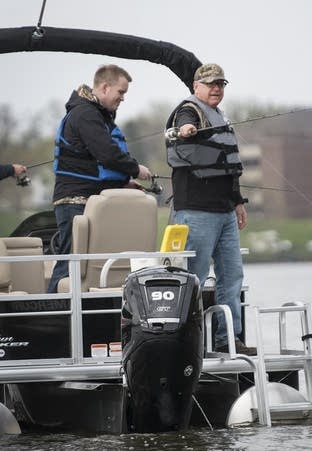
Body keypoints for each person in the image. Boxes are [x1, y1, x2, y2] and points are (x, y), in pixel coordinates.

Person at [166, 63, 254, 355]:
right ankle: (188, 341)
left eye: (221, 84)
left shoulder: (221, 117)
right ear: (196, 87)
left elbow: (228, 167)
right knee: (194, 277)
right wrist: (186, 130)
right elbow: (181, 128)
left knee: (232, 276)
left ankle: (228, 339)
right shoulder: (188, 111)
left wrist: (238, 202)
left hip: (226, 212)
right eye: (211, 84)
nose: (216, 88)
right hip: (196, 212)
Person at [47, 64, 152, 293]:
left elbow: (95, 165)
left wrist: (124, 183)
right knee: (69, 263)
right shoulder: (85, 114)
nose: (122, 99)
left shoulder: (97, 115)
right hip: (74, 202)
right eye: (121, 92)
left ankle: (86, 322)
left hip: (90, 199)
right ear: (105, 87)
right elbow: (106, 153)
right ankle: (49, 316)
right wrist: (136, 169)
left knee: (88, 266)